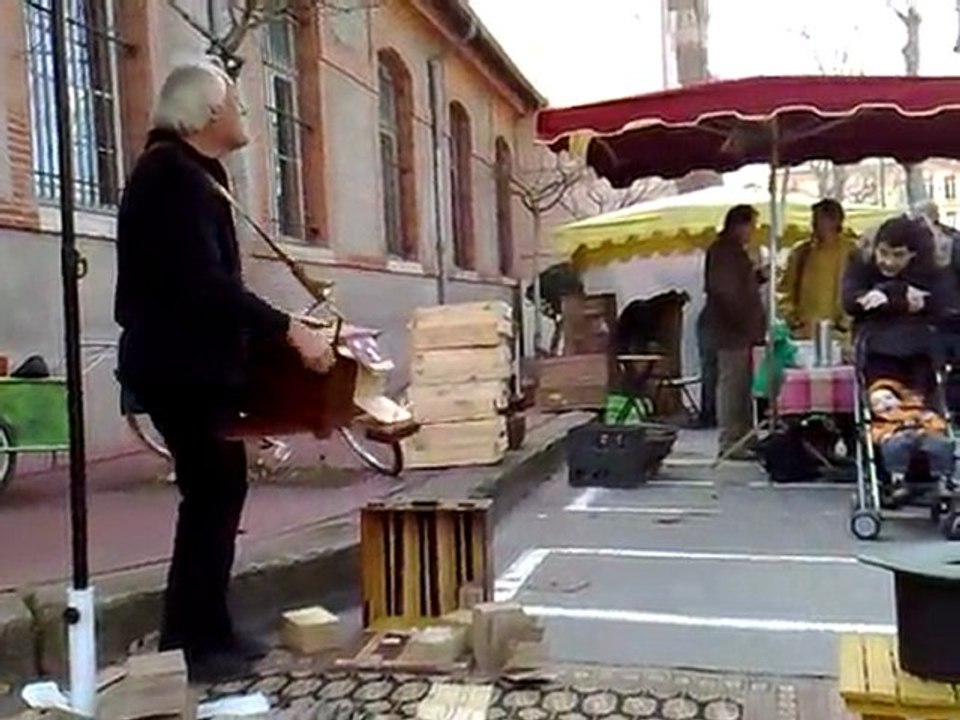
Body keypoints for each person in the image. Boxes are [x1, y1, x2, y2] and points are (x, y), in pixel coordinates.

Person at [114, 61, 336, 681]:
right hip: (177, 368)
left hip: (193, 367)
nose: (243, 113)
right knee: (211, 495)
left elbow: (209, 287)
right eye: (234, 102)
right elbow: (203, 285)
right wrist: (287, 328)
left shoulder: (190, 173)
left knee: (216, 494)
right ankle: (191, 643)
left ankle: (207, 631)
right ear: (207, 114)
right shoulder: (170, 177)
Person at [842, 214, 957, 391]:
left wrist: (887, 296)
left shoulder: (932, 268)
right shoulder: (863, 262)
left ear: (914, 254)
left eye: (898, 255)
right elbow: (850, 301)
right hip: (876, 352)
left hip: (921, 354)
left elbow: (944, 304)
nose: (889, 261)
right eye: (883, 252)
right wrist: (900, 296)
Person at [703, 204, 766, 457]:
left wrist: (757, 277)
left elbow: (738, 286)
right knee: (732, 386)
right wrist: (746, 323)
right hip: (731, 330)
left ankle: (744, 437)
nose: (753, 232)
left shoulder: (734, 252)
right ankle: (731, 440)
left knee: (742, 387)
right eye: (751, 226)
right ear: (739, 225)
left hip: (739, 329)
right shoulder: (724, 252)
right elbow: (727, 293)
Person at [777, 199, 856, 340]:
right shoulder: (801, 252)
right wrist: (794, 322)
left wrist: (844, 325)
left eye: (818, 220)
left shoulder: (852, 252)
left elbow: (858, 291)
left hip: (840, 334)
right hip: (804, 332)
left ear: (835, 221)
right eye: (813, 220)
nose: (813, 225)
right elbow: (784, 291)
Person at [868, 378, 954, 498]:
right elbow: (875, 434)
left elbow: (938, 424)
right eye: (877, 402)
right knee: (894, 446)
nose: (885, 403)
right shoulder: (880, 422)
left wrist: (930, 426)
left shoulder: (917, 413)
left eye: (889, 398)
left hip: (924, 435)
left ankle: (943, 480)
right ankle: (897, 480)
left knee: (941, 443)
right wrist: (884, 436)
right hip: (898, 439)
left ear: (899, 400)